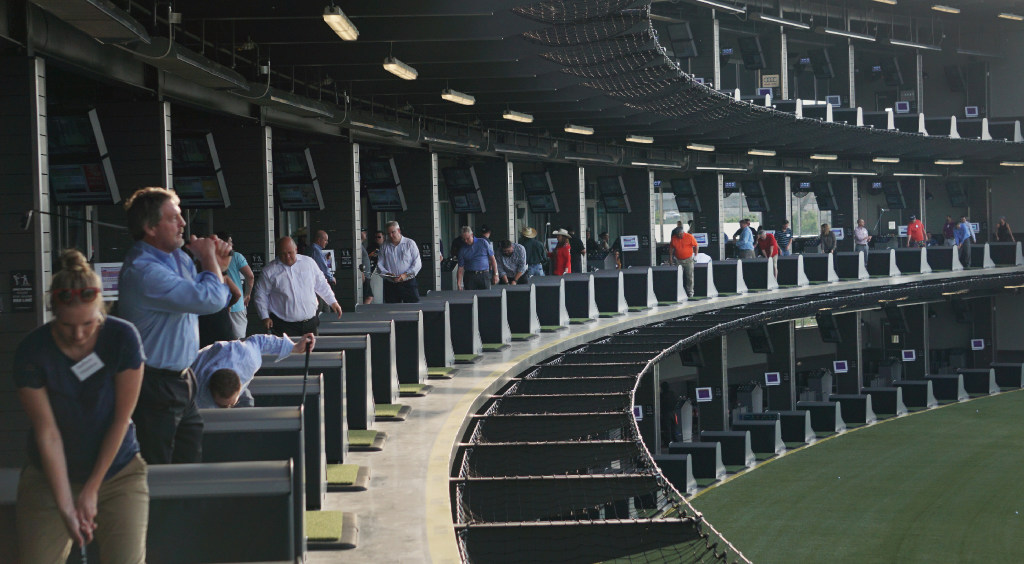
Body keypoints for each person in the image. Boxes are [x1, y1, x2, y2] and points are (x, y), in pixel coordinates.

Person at [13, 250, 148, 562]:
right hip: (49, 476)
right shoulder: (32, 352)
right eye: (66, 325)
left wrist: (91, 490)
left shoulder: (122, 338)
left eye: (88, 324)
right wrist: (66, 504)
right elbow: (48, 434)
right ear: (53, 313)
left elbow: (121, 419)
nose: (78, 334)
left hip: (117, 472)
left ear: (101, 309)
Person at [118, 187, 232, 464]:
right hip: (155, 383)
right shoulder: (144, 271)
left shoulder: (179, 258)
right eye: (173, 218)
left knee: (189, 462)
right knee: (160, 469)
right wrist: (208, 260)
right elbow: (211, 299)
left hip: (183, 379)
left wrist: (217, 266)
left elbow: (215, 296)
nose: (183, 224)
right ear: (150, 227)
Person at [193, 333, 315, 409]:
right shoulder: (194, 388)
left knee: (247, 405)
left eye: (231, 404)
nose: (229, 407)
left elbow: (260, 342)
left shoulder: (246, 356)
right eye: (224, 405)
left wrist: (294, 347)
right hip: (197, 383)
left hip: (228, 356)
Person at [253, 236, 342, 337]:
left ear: (296, 250)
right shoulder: (269, 271)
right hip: (284, 326)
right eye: (283, 254)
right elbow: (260, 294)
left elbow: (321, 284)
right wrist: (264, 316)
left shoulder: (309, 263)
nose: (287, 257)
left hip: (310, 324)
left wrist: (333, 302)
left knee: (313, 353)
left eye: (290, 253)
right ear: (277, 253)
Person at [217, 231, 255, 339]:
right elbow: (250, 276)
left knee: (221, 340)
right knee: (239, 340)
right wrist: (247, 294)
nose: (232, 245)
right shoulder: (236, 256)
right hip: (237, 305)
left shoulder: (210, 258)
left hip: (217, 304)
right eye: (230, 242)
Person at [377, 220, 422, 303]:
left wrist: (405, 275)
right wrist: (388, 274)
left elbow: (417, 264)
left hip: (408, 283)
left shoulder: (410, 243)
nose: (391, 235)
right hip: (391, 285)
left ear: (399, 231)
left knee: (412, 310)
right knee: (392, 312)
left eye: (393, 232)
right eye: (388, 233)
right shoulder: (384, 246)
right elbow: (379, 265)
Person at [457, 226, 499, 291]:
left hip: (484, 274)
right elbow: (460, 268)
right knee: (469, 297)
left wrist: (496, 274)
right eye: (463, 239)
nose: (466, 241)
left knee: (486, 296)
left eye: (467, 238)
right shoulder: (462, 249)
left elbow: (492, 259)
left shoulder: (483, 242)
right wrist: (459, 283)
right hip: (469, 276)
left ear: (472, 235)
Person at [669, 227, 697, 298]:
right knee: (678, 276)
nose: (679, 236)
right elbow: (671, 248)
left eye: (680, 234)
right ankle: (680, 292)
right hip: (678, 260)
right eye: (678, 235)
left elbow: (696, 246)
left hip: (688, 260)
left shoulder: (689, 237)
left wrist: (695, 255)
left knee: (689, 276)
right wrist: (670, 258)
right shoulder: (674, 238)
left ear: (683, 232)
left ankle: (690, 292)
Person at [360, 228, 374, 304]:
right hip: (364, 275)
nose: (365, 233)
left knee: (369, 296)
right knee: (367, 296)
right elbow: (358, 261)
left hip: (367, 275)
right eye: (363, 232)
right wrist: (362, 273)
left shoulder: (361, 246)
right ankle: (362, 313)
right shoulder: (358, 246)